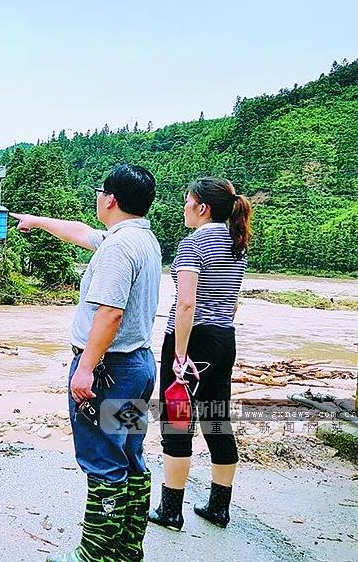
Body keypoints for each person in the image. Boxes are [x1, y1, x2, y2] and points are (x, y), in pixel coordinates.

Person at [11, 163, 162, 562]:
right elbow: (81, 232)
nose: (97, 197)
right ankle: (127, 549)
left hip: (109, 372)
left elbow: (109, 314)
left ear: (110, 199)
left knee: (103, 460)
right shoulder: (141, 238)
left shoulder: (118, 248)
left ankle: (94, 555)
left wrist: (85, 368)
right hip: (138, 365)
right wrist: (36, 220)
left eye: (100, 191)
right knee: (129, 455)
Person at [148, 177, 252, 531]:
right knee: (216, 418)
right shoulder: (237, 244)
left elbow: (187, 303)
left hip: (191, 341)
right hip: (224, 339)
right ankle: (219, 508)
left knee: (177, 422)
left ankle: (170, 511)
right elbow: (233, 301)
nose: (184, 208)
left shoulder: (193, 244)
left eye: (187, 201)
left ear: (202, 208)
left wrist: (179, 353)